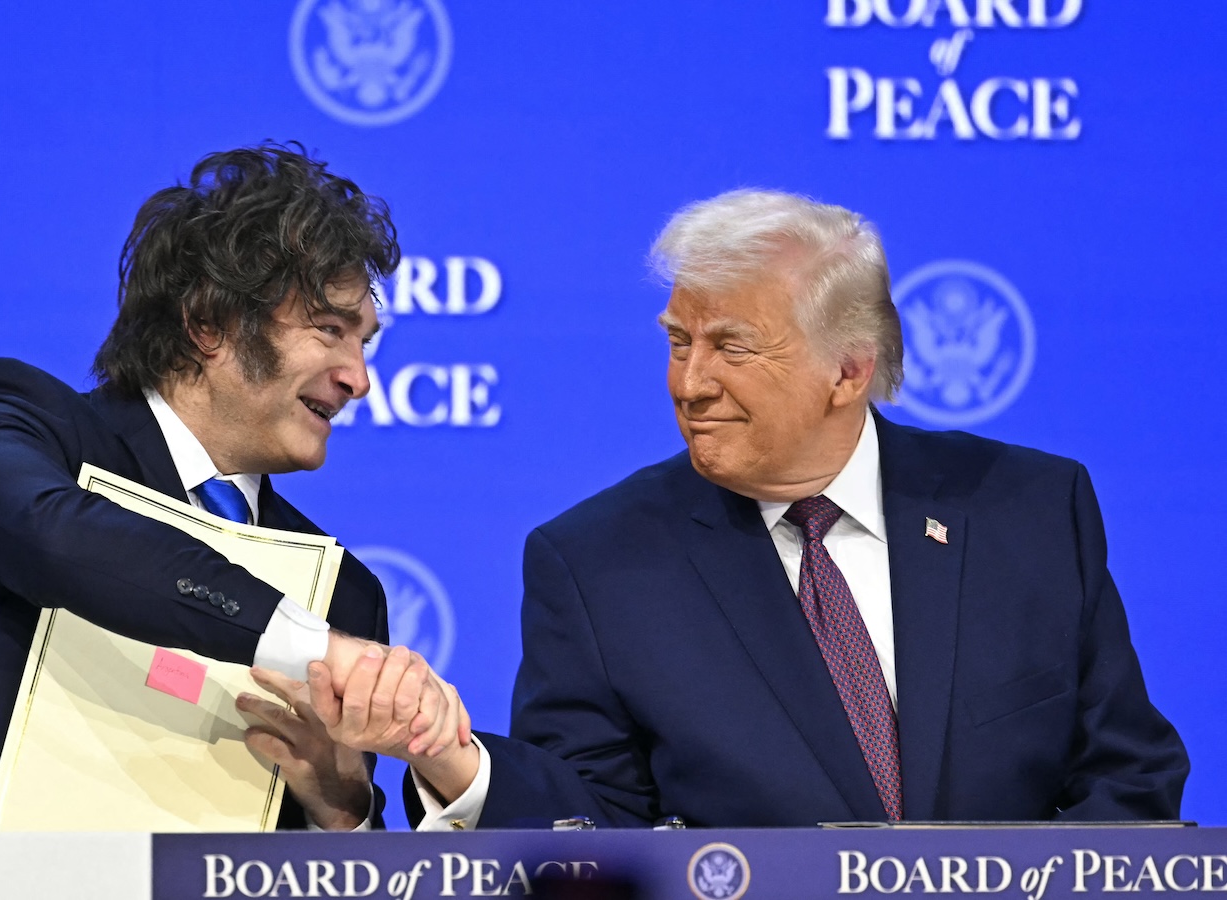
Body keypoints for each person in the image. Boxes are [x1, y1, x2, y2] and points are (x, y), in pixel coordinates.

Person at [352, 189, 1189, 828]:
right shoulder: (598, 565)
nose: (689, 383)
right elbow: (593, 831)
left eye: (731, 347)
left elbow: (1128, 776)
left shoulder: (1028, 511)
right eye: (679, 342)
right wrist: (458, 766)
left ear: (849, 371)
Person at [0, 143, 463, 832]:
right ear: (208, 323)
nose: (359, 378)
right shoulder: (9, 420)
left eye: (365, 344)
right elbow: (55, 538)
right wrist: (315, 648)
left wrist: (342, 810)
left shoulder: (342, 592)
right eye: (330, 330)